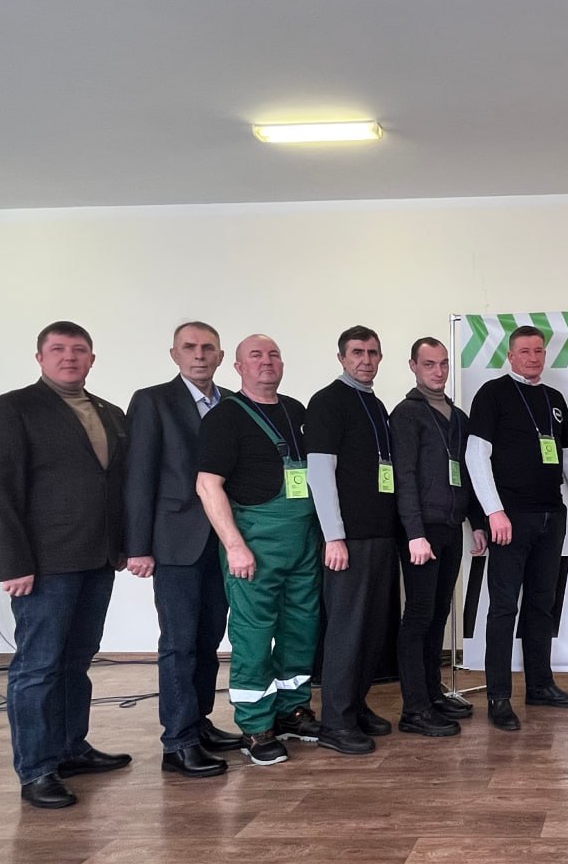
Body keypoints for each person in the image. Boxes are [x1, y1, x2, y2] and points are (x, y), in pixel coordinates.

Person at [0, 321, 130, 808]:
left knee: (76, 661)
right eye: (58, 349)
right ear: (39, 357)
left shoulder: (110, 412)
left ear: (92, 359)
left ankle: (69, 748)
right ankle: (37, 769)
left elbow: (116, 485)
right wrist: (11, 562)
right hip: (43, 564)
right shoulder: (11, 409)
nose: (69, 357)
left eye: (79, 350)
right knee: (38, 666)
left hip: (98, 557)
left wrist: (126, 545)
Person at [195, 334, 322, 766]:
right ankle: (255, 726)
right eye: (256, 355)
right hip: (255, 545)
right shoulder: (225, 417)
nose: (266, 362)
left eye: (273, 355)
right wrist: (234, 546)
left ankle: (292, 710)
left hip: (302, 541)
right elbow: (207, 485)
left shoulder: (296, 411)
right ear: (238, 367)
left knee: (301, 628)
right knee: (253, 635)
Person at [464, 325, 568, 730]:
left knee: (542, 603)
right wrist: (494, 512)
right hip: (510, 519)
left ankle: (540, 685)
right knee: (504, 607)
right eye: (524, 351)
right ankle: (499, 696)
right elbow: (476, 455)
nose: (533, 358)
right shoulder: (492, 394)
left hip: (551, 517)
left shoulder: (554, 399)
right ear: (510, 356)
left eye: (538, 351)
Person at [124, 322, 242, 779]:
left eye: (208, 348)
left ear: (220, 356)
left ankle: (199, 722)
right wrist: (138, 546)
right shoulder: (153, 401)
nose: (199, 355)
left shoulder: (231, 404)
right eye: (189, 348)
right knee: (179, 643)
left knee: (209, 638)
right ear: (174, 354)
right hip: (175, 542)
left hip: (223, 540)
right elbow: (139, 476)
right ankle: (178, 742)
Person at [304, 326, 399, 755]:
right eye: (357, 352)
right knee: (346, 631)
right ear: (341, 357)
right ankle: (336, 723)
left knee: (373, 631)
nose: (366, 360)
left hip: (380, 535)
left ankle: (355, 705)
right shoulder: (328, 402)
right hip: (349, 540)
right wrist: (334, 537)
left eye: (373, 353)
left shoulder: (375, 404)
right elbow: (320, 473)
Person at [391, 337, 488, 737]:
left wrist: (477, 522)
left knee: (438, 613)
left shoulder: (459, 417)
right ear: (413, 366)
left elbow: (468, 473)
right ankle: (413, 709)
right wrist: (414, 533)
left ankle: (432, 693)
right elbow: (404, 477)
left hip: (451, 527)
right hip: (422, 532)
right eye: (429, 364)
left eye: (443, 363)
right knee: (418, 615)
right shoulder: (406, 415)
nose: (438, 371)